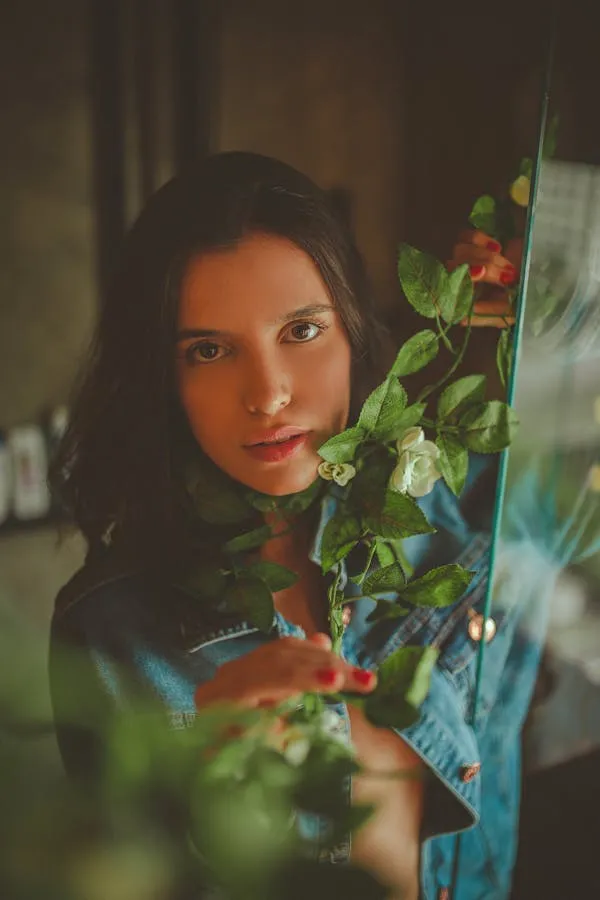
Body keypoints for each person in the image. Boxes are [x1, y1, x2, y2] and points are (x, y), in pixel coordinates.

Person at [48, 151, 541, 900]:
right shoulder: (111, 629)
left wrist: (557, 300)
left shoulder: (462, 512)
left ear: (354, 329)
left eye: (303, 331)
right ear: (162, 375)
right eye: (209, 349)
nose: (269, 394)